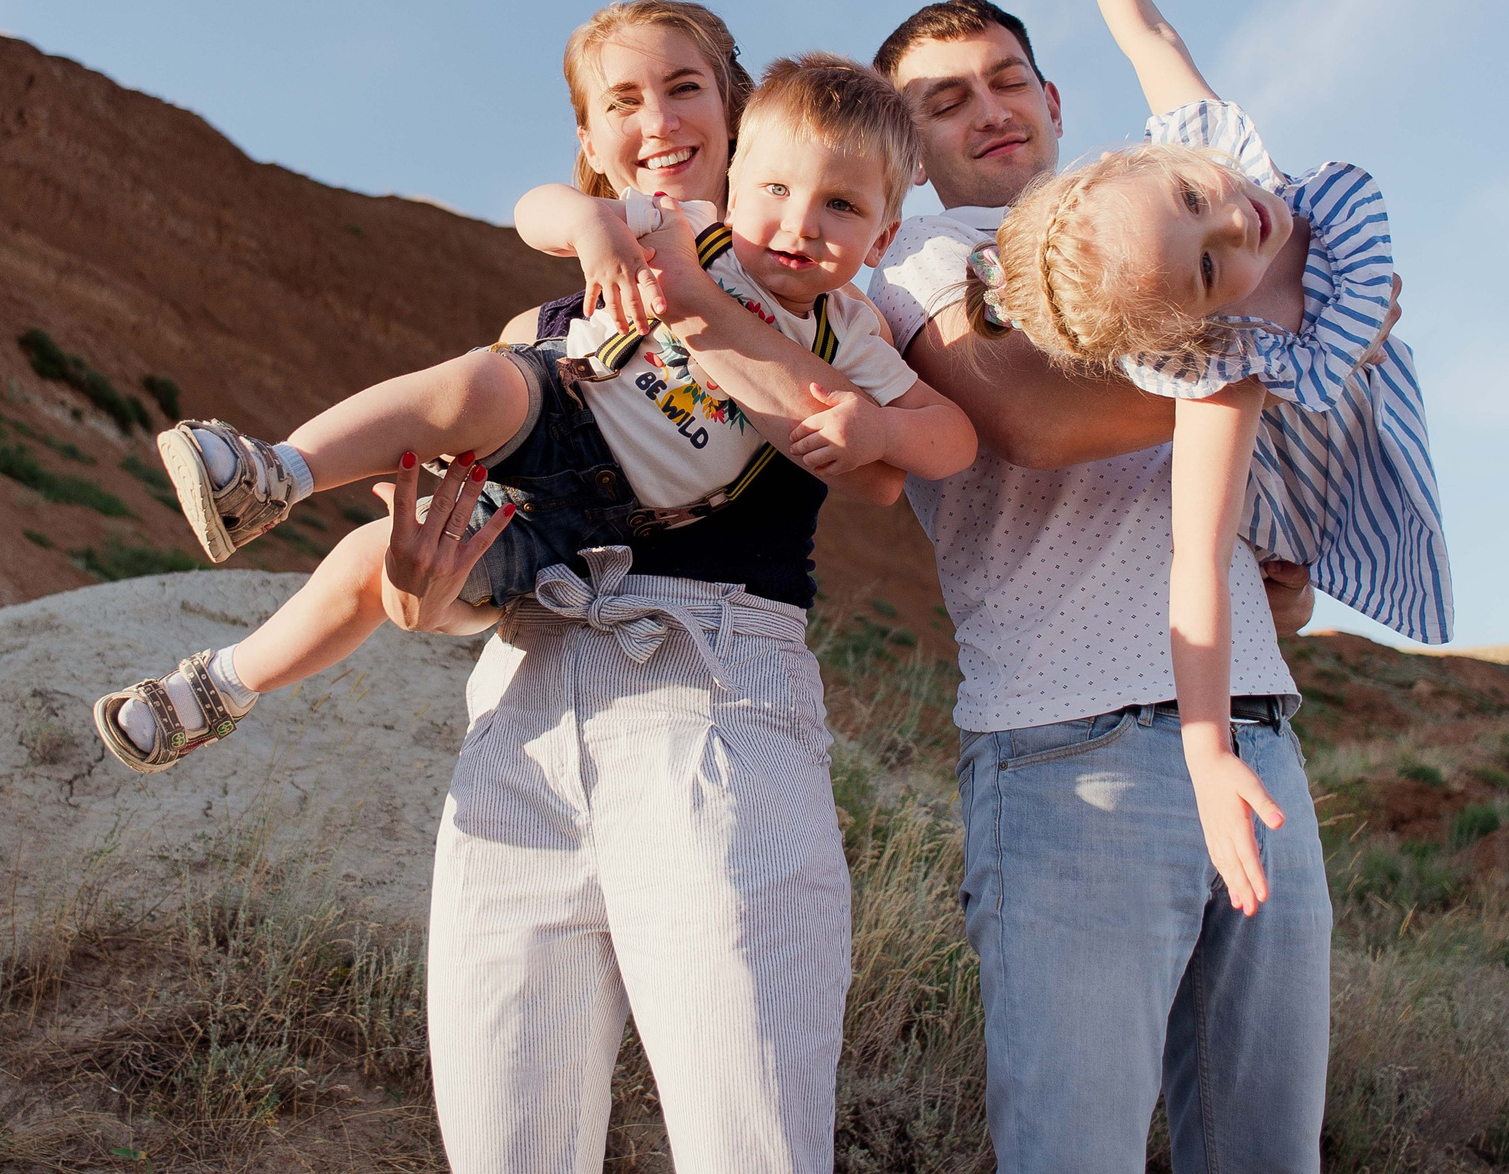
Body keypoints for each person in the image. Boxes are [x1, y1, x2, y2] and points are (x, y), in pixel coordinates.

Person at [89, 51, 972, 772]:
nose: (799, 222)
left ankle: (222, 688)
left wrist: (882, 428)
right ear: (738, 184)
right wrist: (590, 224)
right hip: (559, 402)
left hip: (597, 523)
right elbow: (536, 208)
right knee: (476, 383)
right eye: (776, 189)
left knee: (378, 561)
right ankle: (275, 472)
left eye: (842, 206)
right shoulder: (685, 226)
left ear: (883, 238)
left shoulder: (848, 334)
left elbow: (952, 438)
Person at [867, 0, 1345, 1174]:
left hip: (1253, 732)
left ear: (1056, 96)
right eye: (944, 101)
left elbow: (1199, 492)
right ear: (907, 146)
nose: (987, 109)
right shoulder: (923, 260)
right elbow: (1026, 418)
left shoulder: (1189, 256)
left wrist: (1272, 576)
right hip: (1067, 752)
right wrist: (1286, 351)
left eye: (1007, 78)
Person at [959, 0, 1449, 913]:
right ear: (1197, 325)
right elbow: (1193, 560)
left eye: (1193, 199)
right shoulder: (1229, 368)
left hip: (1363, 391)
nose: (1240, 225)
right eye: (1208, 268)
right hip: (1315, 454)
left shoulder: (1216, 152)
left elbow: (1152, 34)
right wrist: (1206, 749)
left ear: (1162, 156)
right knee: (1274, 547)